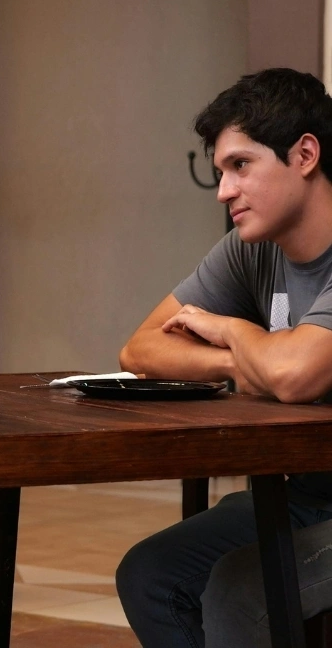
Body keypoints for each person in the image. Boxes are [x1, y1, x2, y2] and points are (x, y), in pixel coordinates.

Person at [116, 67, 332, 647]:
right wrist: (242, 362)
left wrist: (231, 329)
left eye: (241, 166)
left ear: (305, 154)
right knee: (149, 574)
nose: (224, 192)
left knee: (240, 590)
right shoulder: (249, 251)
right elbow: (141, 346)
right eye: (219, 172)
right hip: (308, 495)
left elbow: (294, 374)